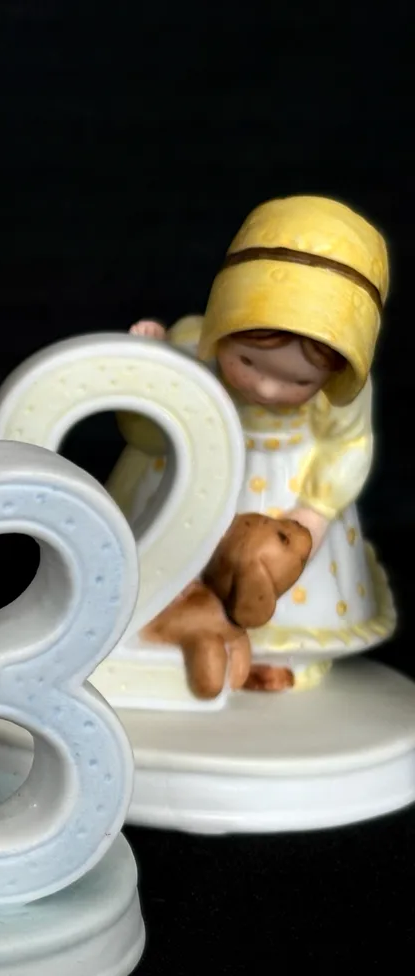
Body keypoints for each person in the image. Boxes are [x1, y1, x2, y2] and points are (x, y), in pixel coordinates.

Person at [114, 195, 394, 690]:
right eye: (247, 362)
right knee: (170, 578)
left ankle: (279, 659)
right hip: (197, 481)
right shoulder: (194, 348)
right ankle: (173, 643)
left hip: (286, 495)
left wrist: (314, 512)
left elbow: (347, 447)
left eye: (298, 381)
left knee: (280, 587)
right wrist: (150, 366)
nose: (265, 388)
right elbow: (148, 432)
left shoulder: (342, 397)